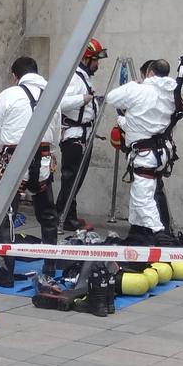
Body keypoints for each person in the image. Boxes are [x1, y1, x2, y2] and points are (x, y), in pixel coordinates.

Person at [0, 56, 61, 287]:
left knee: (6, 219)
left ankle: (6, 272)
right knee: (47, 216)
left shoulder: (9, 95)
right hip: (44, 162)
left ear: (15, 76)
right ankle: (50, 266)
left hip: (14, 163)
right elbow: (55, 136)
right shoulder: (53, 95)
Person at [105, 57, 180, 244]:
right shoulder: (170, 94)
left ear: (150, 72)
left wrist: (133, 85)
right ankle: (137, 234)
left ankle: (160, 235)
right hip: (160, 153)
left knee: (142, 198)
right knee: (144, 193)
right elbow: (144, 121)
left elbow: (111, 98)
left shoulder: (137, 90)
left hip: (145, 154)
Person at [56, 38, 106, 230]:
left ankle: (68, 213)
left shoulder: (83, 77)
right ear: (86, 59)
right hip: (73, 135)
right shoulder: (73, 78)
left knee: (75, 179)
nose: (98, 64)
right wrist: (82, 99)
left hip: (82, 134)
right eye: (95, 60)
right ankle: (65, 216)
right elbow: (59, 103)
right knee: (71, 178)